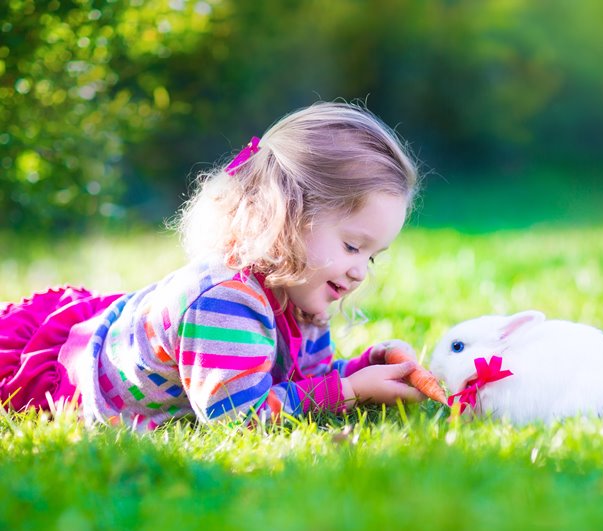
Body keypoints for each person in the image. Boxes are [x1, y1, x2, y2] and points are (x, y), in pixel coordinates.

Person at [0, 101, 426, 430]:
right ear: (287, 214)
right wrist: (349, 391)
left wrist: (368, 369)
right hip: (64, 379)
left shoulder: (303, 292)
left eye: (371, 256)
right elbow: (239, 418)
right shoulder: (224, 300)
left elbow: (300, 384)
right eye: (352, 246)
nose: (360, 272)